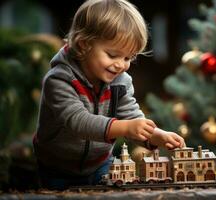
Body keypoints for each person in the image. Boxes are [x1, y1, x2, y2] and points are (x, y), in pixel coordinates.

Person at [33, 0, 185, 190]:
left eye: (128, 58)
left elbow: (131, 117)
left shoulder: (121, 81)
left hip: (100, 165)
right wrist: (124, 127)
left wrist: (156, 136)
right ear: (83, 45)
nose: (121, 65)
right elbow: (78, 121)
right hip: (57, 167)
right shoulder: (60, 80)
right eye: (113, 55)